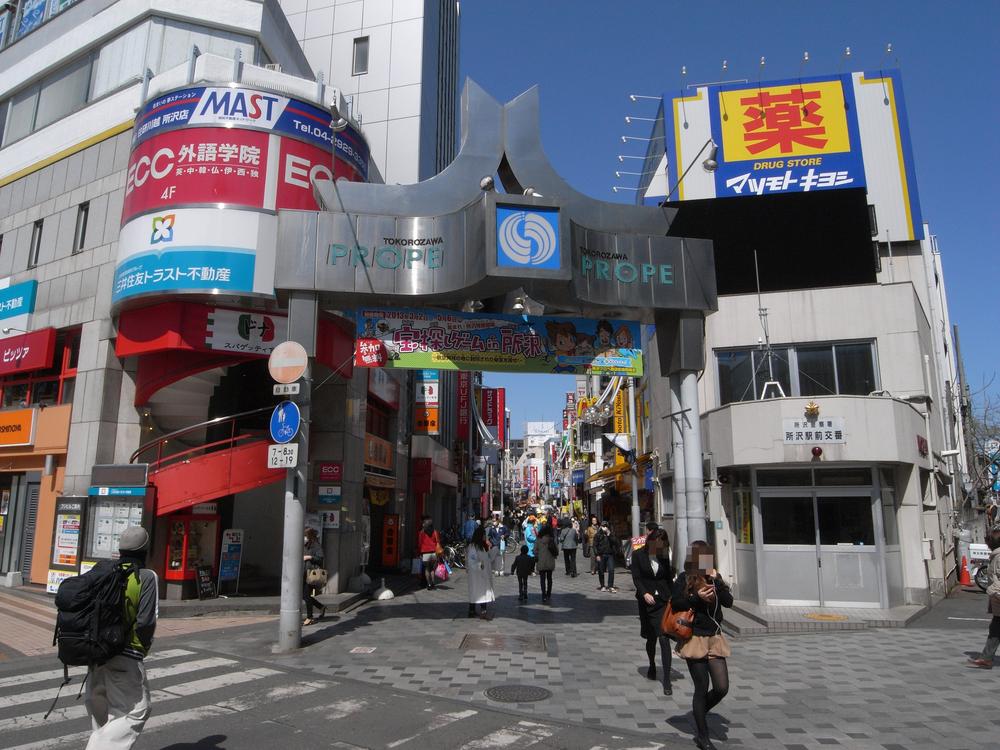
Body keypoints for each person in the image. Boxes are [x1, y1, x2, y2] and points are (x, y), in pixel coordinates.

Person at [85, 526, 158, 750]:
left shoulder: (102, 571)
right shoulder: (146, 577)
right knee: (136, 711)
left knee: (103, 713)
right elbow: (146, 622)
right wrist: (141, 648)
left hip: (95, 654)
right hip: (125, 655)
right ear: (145, 550)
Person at [671, 540, 734, 750]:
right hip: (695, 638)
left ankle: (699, 713)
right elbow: (676, 603)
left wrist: (718, 582)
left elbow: (728, 601)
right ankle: (703, 736)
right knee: (701, 687)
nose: (707, 560)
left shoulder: (714, 578)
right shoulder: (685, 578)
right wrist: (696, 597)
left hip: (714, 637)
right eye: (703, 556)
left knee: (721, 687)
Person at [631, 528, 676, 695]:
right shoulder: (638, 555)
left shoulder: (664, 554)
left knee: (664, 638)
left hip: (663, 599)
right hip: (647, 601)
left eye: (661, 544)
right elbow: (636, 577)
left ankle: (667, 680)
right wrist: (644, 593)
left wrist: (674, 597)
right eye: (656, 543)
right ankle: (651, 664)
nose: (658, 547)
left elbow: (668, 578)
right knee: (651, 637)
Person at [968, 527, 1000, 668]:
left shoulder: (999, 557)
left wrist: (994, 591)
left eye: (988, 541)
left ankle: (986, 658)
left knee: (996, 627)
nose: (986, 543)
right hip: (997, 597)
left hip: (998, 595)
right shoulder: (996, 555)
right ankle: (986, 658)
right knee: (995, 627)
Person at [466, 526, 494, 618]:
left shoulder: (482, 546)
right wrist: (479, 565)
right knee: (476, 592)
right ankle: (474, 610)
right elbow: (471, 560)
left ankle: (479, 610)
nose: (485, 537)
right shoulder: (473, 547)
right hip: (476, 574)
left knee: (482, 591)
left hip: (483, 574)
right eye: (484, 535)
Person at [302, 527, 326, 625]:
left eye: (305, 535)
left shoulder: (316, 545)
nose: (304, 537)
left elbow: (320, 558)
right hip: (303, 573)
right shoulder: (305, 545)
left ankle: (310, 617)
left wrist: (309, 557)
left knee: (306, 595)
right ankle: (321, 607)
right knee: (304, 595)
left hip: (311, 574)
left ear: (310, 536)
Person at [416, 516, 441, 591]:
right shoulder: (435, 532)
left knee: (427, 569)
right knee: (432, 569)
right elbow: (438, 541)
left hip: (425, 552)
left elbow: (420, 543)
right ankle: (433, 584)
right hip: (433, 552)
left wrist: (419, 552)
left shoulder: (422, 532)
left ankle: (429, 584)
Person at [534, 525, 558, 603]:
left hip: (541, 561)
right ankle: (549, 594)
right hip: (550, 561)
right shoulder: (551, 539)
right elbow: (556, 550)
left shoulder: (538, 540)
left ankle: (543, 595)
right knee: (549, 578)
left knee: (542, 579)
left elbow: (535, 551)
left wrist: (538, 555)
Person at [594, 519, 619, 593]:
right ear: (601, 526)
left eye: (606, 526)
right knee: (601, 571)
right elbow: (595, 545)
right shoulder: (598, 534)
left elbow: (615, 542)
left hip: (610, 554)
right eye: (603, 526)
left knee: (611, 570)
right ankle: (602, 586)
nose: (605, 527)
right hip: (601, 554)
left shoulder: (610, 534)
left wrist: (609, 535)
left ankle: (610, 586)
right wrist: (597, 555)